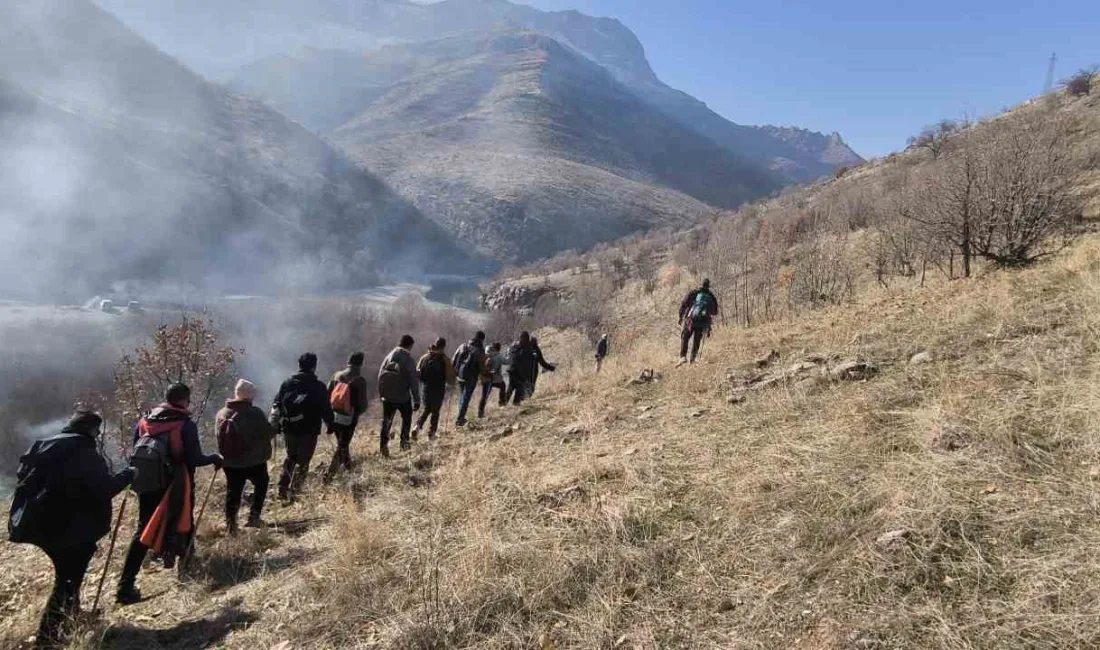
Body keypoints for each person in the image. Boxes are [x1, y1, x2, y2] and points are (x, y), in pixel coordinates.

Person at [11, 411, 133, 648]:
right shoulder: (84, 454)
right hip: (70, 528)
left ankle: (71, 618)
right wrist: (128, 474)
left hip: (39, 523)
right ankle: (47, 638)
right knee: (67, 580)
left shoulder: (46, 446)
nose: (98, 435)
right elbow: (104, 489)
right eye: (97, 430)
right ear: (89, 429)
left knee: (68, 576)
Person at [117, 383, 222, 605]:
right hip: (176, 482)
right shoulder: (185, 424)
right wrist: (214, 458)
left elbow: (136, 447)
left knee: (143, 530)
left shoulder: (146, 420)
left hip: (146, 481)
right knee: (184, 522)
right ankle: (186, 569)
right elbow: (194, 459)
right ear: (184, 400)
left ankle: (124, 586)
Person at [215, 379, 275, 534]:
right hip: (254, 461)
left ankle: (231, 526)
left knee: (233, 492)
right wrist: (274, 420)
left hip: (230, 463)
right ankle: (254, 518)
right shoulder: (254, 413)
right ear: (250, 396)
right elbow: (269, 433)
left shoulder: (221, 414)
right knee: (262, 484)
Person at [271, 353, 333, 501]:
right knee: (304, 461)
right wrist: (330, 424)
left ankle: (282, 488)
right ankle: (295, 490)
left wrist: (276, 424)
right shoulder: (318, 386)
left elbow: (277, 403)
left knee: (291, 457)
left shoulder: (287, 383)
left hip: (289, 427)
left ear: (299, 365)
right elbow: (325, 408)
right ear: (314, 366)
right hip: (309, 429)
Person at [324, 352, 369, 479]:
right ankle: (329, 475)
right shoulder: (360, 380)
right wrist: (356, 413)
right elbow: (363, 405)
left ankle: (348, 467)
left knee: (342, 442)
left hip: (334, 415)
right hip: (350, 417)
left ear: (348, 362)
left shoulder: (337, 375)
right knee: (342, 445)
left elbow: (327, 394)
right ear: (360, 364)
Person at [378, 334, 420, 456]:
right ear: (410, 345)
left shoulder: (388, 357)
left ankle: (383, 447)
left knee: (386, 421)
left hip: (387, 397)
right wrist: (417, 399)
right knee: (406, 419)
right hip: (403, 396)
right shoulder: (408, 359)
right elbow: (413, 381)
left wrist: (382, 393)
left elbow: (380, 376)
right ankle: (404, 444)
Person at [416, 338, 455, 440]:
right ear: (444, 346)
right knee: (435, 411)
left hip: (426, 388)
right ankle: (431, 434)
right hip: (438, 389)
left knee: (427, 409)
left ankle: (417, 427)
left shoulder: (425, 356)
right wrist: (452, 385)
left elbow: (418, 371)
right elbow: (450, 375)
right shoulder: (445, 359)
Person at [678, 278, 720, 364]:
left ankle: (683, 357)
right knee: (697, 341)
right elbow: (715, 312)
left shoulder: (694, 292)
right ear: (708, 286)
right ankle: (692, 360)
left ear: (700, 284)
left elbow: (684, 303)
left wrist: (680, 316)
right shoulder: (711, 296)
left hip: (691, 320)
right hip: (702, 322)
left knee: (685, 336)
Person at [505, 332, 554, 405]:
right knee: (520, 387)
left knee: (511, 386)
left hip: (511, 370)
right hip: (523, 373)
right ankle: (515, 404)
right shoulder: (533, 349)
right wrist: (552, 368)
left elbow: (508, 356)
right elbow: (542, 362)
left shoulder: (515, 346)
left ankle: (503, 404)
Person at [452, 331, 487, 426]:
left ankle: (461, 416)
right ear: (482, 339)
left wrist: (454, 372)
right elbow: (482, 367)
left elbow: (454, 359)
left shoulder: (463, 345)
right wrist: (486, 374)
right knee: (466, 398)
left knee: (462, 396)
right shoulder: (479, 350)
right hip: (471, 378)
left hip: (460, 375)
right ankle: (460, 419)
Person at [478, 342, 507, 418]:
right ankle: (501, 404)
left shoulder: (486, 354)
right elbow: (489, 369)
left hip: (486, 379)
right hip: (489, 379)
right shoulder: (492, 357)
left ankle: (480, 413)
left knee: (485, 396)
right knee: (486, 395)